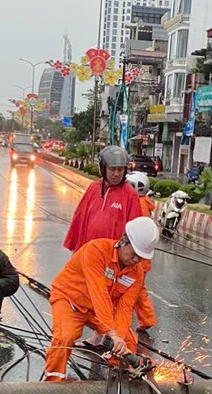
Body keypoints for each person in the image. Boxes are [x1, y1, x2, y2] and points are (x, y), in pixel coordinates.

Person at [43, 217, 159, 382]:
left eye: (141, 257)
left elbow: (125, 308)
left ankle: (119, 381)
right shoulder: (95, 251)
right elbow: (100, 294)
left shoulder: (136, 272)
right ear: (123, 241)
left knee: (127, 341)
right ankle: (52, 383)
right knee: (65, 337)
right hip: (69, 300)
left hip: (97, 311)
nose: (136, 261)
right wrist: (112, 332)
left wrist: (119, 338)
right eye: (134, 254)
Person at [63, 145, 141, 252]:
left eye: (120, 169)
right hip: (88, 253)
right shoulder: (93, 188)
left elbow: (136, 233)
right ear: (103, 168)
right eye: (112, 169)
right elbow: (79, 218)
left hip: (112, 258)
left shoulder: (131, 195)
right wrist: (76, 252)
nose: (116, 174)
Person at [118, 172, 158, 334]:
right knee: (138, 290)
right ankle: (147, 319)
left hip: (137, 257)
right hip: (139, 256)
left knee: (133, 290)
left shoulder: (139, 204)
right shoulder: (142, 202)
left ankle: (144, 320)